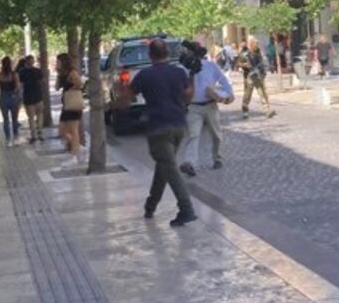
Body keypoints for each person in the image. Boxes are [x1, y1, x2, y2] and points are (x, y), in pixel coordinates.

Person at [114, 39, 196, 226]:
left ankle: (186, 209)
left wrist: (117, 96)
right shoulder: (179, 72)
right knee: (164, 166)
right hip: (179, 126)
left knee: (169, 168)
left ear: (150, 55)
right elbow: (188, 97)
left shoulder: (145, 75)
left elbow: (125, 102)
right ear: (167, 53)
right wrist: (192, 78)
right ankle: (150, 205)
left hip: (158, 128)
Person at [178, 43, 234, 176]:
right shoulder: (184, 69)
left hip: (210, 105)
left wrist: (222, 96)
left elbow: (225, 84)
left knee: (216, 135)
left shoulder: (211, 66)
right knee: (193, 135)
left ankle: (217, 158)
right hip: (193, 107)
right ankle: (190, 163)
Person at [56, 53, 85, 165]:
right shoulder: (62, 74)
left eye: (58, 61)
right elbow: (57, 87)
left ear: (64, 62)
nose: (57, 63)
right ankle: (78, 147)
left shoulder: (72, 72)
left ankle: (75, 155)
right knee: (62, 131)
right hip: (66, 105)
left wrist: (70, 90)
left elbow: (79, 84)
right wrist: (58, 74)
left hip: (73, 104)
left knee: (73, 130)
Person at [237, 38, 274, 119]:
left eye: (257, 43)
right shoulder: (244, 53)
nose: (257, 45)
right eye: (256, 43)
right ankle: (245, 110)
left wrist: (263, 72)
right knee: (247, 95)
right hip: (249, 77)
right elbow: (238, 64)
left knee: (262, 93)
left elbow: (262, 63)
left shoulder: (258, 53)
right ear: (251, 44)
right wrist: (245, 65)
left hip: (258, 76)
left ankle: (267, 110)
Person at [18, 55, 45, 144]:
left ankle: (34, 135)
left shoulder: (22, 72)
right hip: (38, 95)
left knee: (31, 117)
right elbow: (42, 82)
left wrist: (20, 97)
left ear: (26, 62)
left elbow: (21, 85)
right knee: (40, 114)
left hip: (28, 96)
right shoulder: (38, 71)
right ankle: (40, 132)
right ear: (33, 62)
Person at [0, 57, 21, 145]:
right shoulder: (14, 74)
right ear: (10, 64)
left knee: (5, 119)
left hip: (3, 97)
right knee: (14, 119)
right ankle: (16, 137)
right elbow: (18, 87)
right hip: (13, 97)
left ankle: (8, 139)